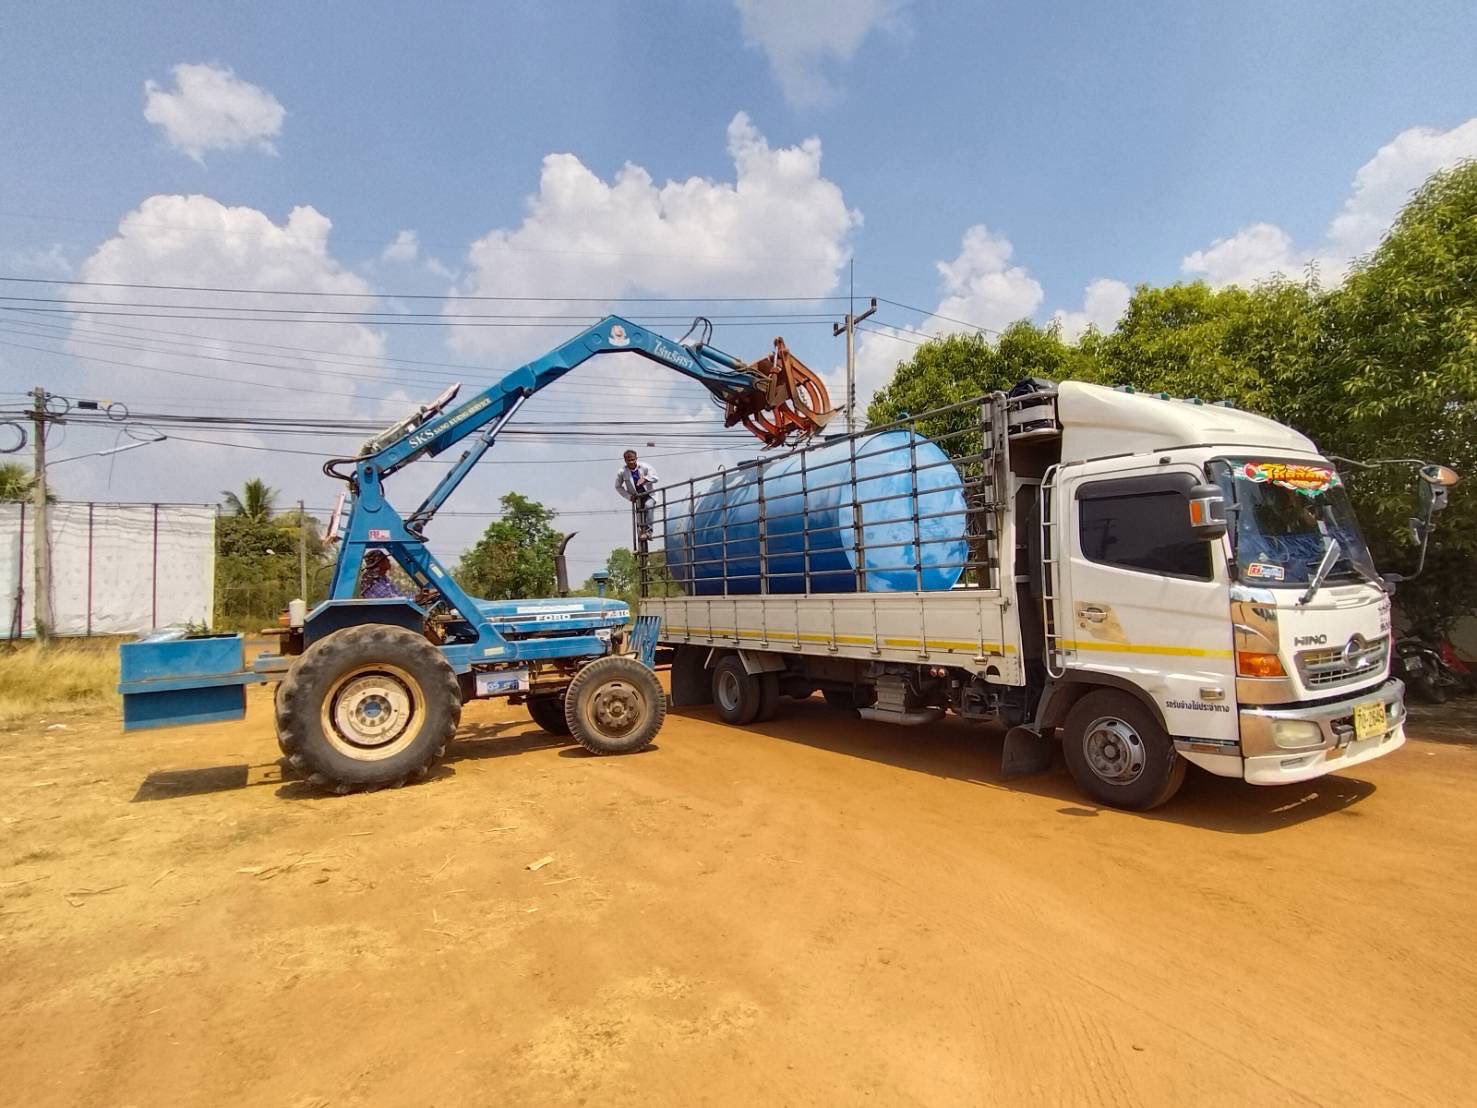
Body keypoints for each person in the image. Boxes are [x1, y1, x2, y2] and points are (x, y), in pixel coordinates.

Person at [615, 449, 659, 542]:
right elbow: (618, 486)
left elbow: (656, 477)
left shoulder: (645, 466)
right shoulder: (622, 472)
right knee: (640, 518)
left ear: (636, 458)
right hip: (637, 497)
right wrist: (629, 496)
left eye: (633, 459)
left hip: (650, 494)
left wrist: (646, 479)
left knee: (648, 506)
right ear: (625, 461)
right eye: (629, 460)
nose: (631, 462)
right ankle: (642, 539)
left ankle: (649, 532)